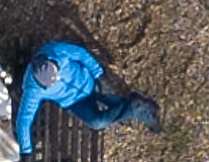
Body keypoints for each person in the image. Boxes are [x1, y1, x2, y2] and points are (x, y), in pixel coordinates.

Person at [15, 38, 164, 137]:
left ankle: (136, 108)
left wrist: (98, 75)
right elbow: (24, 118)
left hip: (89, 81)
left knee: (115, 103)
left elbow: (82, 54)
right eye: (49, 85)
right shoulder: (32, 88)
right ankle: (135, 107)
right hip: (74, 103)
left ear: (52, 64)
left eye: (55, 77)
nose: (55, 82)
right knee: (97, 123)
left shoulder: (57, 51)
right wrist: (25, 151)